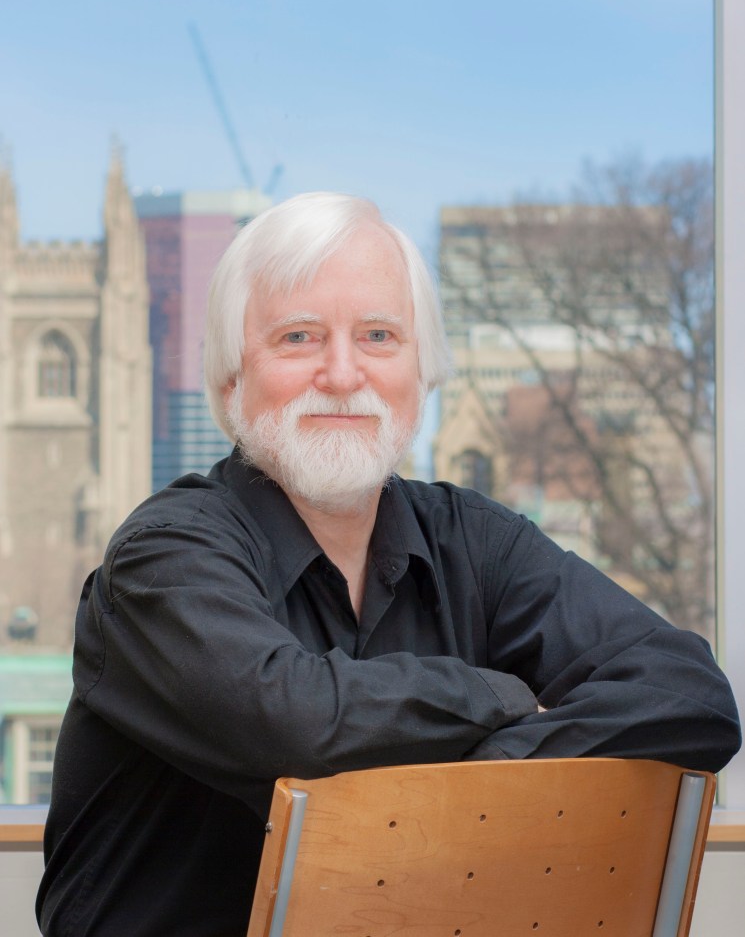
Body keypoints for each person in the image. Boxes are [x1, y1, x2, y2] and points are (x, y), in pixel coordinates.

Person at [37, 192, 740, 937]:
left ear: (422, 375)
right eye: (299, 336)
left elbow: (688, 692)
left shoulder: (477, 541)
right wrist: (498, 696)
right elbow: (295, 726)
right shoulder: (162, 557)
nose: (343, 375)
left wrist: (492, 767)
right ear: (228, 383)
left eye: (378, 335)